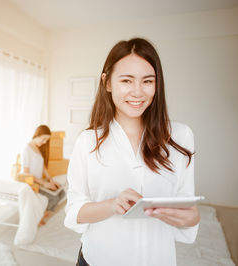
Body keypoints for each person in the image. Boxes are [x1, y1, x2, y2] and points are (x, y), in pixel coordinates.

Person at [64, 38, 200, 266]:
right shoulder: (88, 141)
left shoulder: (180, 136)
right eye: (127, 80)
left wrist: (191, 217)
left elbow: (190, 211)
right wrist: (112, 205)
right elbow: (73, 212)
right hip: (97, 259)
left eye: (147, 81)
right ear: (107, 83)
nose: (138, 92)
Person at [22, 125, 65, 224]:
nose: (44, 142)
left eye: (47, 140)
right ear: (37, 135)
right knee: (54, 197)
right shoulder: (26, 149)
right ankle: (39, 216)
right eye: (43, 139)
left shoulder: (38, 148)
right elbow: (26, 174)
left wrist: (50, 180)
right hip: (34, 183)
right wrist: (44, 184)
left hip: (41, 181)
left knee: (61, 192)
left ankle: (44, 213)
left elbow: (43, 166)